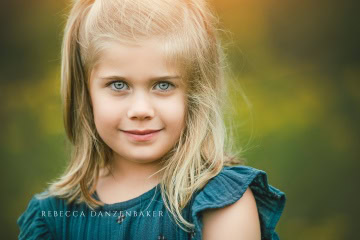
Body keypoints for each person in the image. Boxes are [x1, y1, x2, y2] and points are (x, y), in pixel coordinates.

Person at [17, 0, 286, 239]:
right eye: (119, 85)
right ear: (85, 93)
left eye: (163, 85)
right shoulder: (51, 218)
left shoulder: (222, 204)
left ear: (194, 94)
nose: (141, 110)